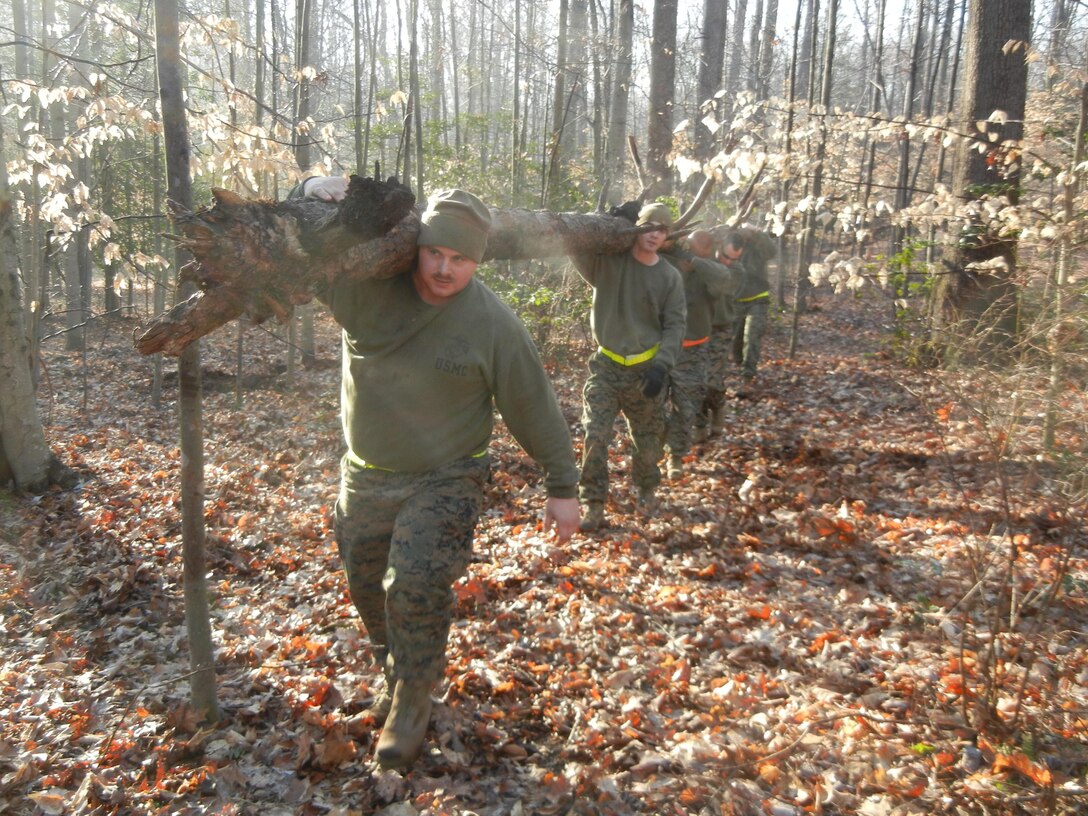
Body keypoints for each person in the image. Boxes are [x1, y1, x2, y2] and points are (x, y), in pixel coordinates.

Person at [294, 177, 581, 770]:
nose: (445, 269)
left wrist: (562, 487)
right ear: (416, 246)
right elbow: (300, 248)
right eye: (435, 253)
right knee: (368, 591)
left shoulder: (493, 325)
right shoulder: (369, 291)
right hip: (365, 474)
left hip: (446, 477)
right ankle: (395, 672)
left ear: (476, 261)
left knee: (416, 585)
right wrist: (308, 187)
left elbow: (533, 405)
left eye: (460, 259)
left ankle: (412, 702)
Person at [571, 202, 687, 531]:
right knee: (595, 433)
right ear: (637, 228)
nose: (654, 235)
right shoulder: (608, 264)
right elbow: (575, 244)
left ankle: (647, 489)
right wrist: (602, 222)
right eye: (648, 226)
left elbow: (675, 325)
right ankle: (593, 503)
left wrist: (660, 367)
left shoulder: (669, 277)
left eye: (661, 230)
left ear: (667, 237)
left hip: (646, 370)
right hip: (606, 366)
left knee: (648, 440)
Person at [662, 228, 740, 475]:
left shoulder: (711, 273)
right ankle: (660, 445)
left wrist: (696, 262)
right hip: (662, 347)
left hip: (694, 346)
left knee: (688, 404)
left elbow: (724, 280)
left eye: (702, 251)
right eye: (692, 250)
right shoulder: (667, 262)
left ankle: (675, 456)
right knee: (653, 405)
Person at [723, 227, 778, 383]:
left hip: (758, 299)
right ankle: (740, 364)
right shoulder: (731, 244)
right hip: (736, 300)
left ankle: (748, 374)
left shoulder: (758, 246)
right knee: (736, 340)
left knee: (752, 335)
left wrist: (758, 234)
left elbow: (772, 251)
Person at [694, 231, 734, 440]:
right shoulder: (705, 260)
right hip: (698, 328)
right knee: (697, 380)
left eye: (733, 258)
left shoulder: (735, 271)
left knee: (712, 380)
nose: (728, 261)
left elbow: (715, 287)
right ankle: (700, 424)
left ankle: (719, 406)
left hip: (720, 329)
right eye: (725, 256)